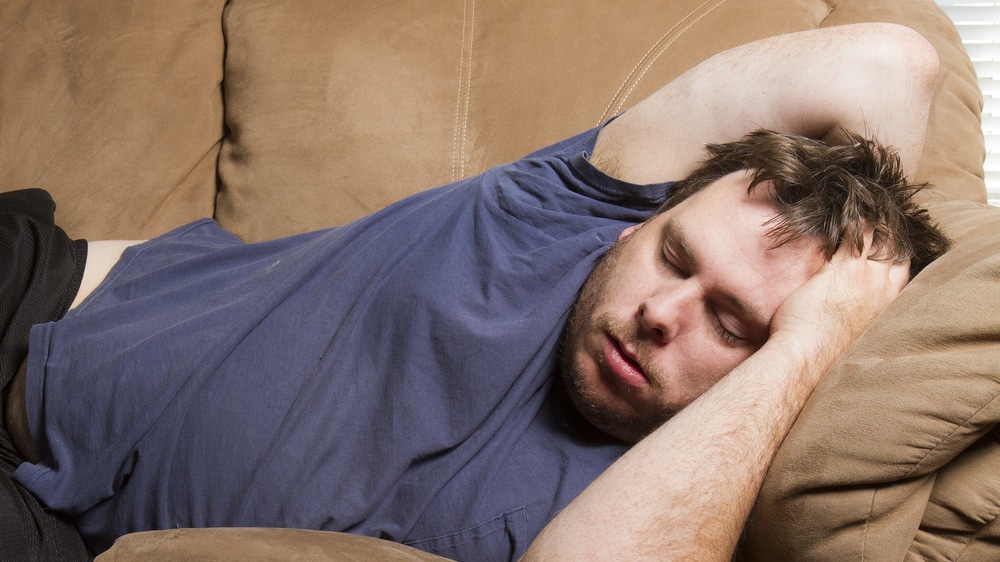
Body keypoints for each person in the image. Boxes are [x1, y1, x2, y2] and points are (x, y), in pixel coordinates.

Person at [0, 22, 949, 562]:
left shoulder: (680, 488)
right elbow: (887, 65)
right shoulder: (561, 208)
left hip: (43, 527)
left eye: (734, 322)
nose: (664, 313)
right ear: (638, 220)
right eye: (674, 258)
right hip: (37, 296)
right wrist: (859, 228)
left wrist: (818, 343)